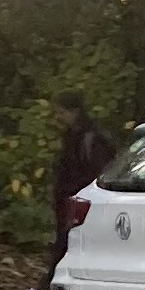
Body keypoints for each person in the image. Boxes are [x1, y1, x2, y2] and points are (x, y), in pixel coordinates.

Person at [49, 91, 116, 261]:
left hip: (81, 202)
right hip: (69, 201)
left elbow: (97, 171)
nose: (59, 117)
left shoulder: (91, 138)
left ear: (75, 111)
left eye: (62, 112)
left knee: (70, 245)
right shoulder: (72, 135)